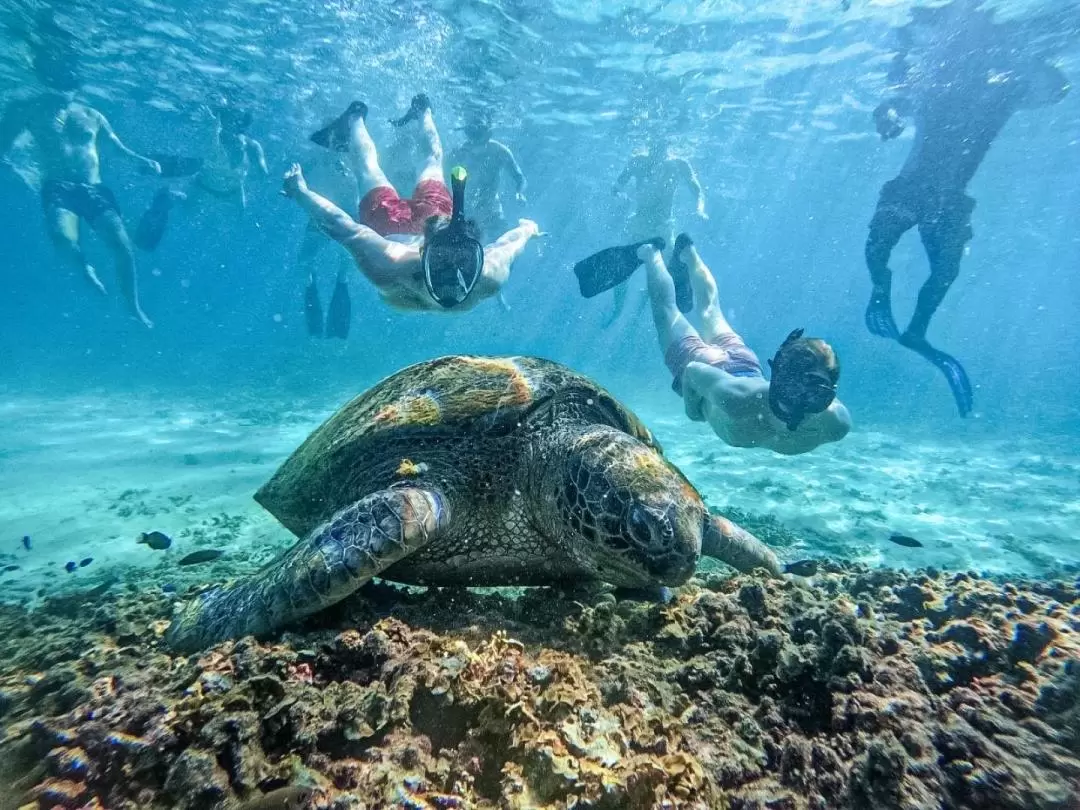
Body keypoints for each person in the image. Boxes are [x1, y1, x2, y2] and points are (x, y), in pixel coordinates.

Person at [864, 0, 1070, 416]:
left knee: (942, 268)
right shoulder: (938, 86)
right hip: (916, 189)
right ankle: (883, 294)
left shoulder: (1002, 91)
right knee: (882, 247)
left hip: (945, 196)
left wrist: (1020, 55)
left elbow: (1057, 88)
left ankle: (916, 329)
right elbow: (891, 102)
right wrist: (884, 112)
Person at [287, 95, 539, 312]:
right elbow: (511, 243)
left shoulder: (390, 270)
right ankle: (363, 116)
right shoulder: (392, 265)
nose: (453, 276)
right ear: (422, 255)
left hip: (418, 218)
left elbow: (342, 227)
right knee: (374, 168)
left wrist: (301, 192)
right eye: (442, 260)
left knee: (403, 164)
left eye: (463, 262)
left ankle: (408, 112)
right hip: (397, 222)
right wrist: (528, 229)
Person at [0, 39, 159, 328]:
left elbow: (117, 148)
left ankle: (133, 307)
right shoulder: (27, 108)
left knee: (122, 247)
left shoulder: (92, 114)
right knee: (62, 239)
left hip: (94, 189)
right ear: (45, 73)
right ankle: (85, 270)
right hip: (58, 188)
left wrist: (142, 160)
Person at [643, 236, 850, 455]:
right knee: (666, 311)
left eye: (815, 393)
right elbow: (692, 371)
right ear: (777, 378)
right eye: (792, 389)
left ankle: (688, 253)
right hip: (709, 363)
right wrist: (693, 411)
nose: (798, 405)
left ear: (829, 395)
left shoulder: (837, 423)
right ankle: (650, 251)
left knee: (710, 311)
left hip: (745, 364)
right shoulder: (736, 400)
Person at [134, 96, 269, 252]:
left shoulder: (252, 146)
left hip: (234, 192)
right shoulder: (213, 137)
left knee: (239, 220)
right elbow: (209, 146)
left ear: (242, 123)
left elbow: (262, 172)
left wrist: (261, 169)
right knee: (188, 212)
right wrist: (211, 127)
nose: (229, 126)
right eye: (225, 120)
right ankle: (168, 195)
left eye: (234, 120)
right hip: (203, 187)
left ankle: (172, 197)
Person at [606, 134, 706, 326]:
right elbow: (616, 187)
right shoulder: (637, 162)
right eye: (654, 145)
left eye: (661, 145)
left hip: (663, 227)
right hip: (638, 224)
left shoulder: (679, 164)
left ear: (668, 145)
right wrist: (621, 196)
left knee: (665, 275)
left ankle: (644, 307)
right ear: (651, 144)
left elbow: (697, 190)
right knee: (621, 271)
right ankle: (617, 311)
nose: (657, 149)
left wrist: (700, 209)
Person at [449, 114, 528, 310]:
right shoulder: (460, 152)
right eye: (471, 135)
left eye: (480, 135)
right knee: (465, 254)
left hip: (492, 210)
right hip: (466, 213)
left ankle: (496, 291)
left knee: (505, 251)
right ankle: (467, 288)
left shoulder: (499, 150)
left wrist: (520, 193)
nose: (476, 142)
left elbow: (519, 177)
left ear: (487, 132)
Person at [294, 150, 358, 339]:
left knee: (344, 268)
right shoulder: (314, 156)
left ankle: (339, 286)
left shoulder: (353, 155)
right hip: (320, 218)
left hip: (348, 217)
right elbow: (302, 172)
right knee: (304, 263)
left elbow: (364, 176)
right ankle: (314, 305)